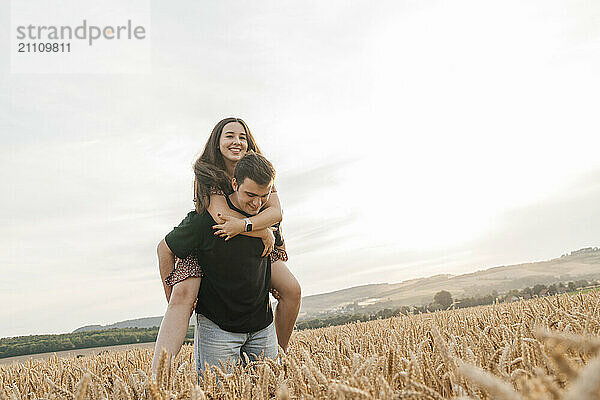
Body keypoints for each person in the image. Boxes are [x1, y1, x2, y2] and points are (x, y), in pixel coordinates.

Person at [150, 118, 300, 376]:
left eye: (242, 137)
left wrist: (263, 229)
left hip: (253, 235)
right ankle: (157, 377)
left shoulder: (261, 170)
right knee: (182, 297)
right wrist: (261, 229)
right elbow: (222, 218)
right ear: (217, 142)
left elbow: (276, 211)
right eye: (229, 136)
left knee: (292, 290)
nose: (237, 141)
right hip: (218, 236)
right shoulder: (208, 172)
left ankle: (277, 354)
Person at [162, 152, 279, 372]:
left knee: (272, 390)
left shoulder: (265, 220)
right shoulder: (204, 220)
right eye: (250, 194)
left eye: (263, 196)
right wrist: (172, 297)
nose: (257, 203)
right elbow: (164, 249)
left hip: (262, 327)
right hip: (218, 330)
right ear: (234, 183)